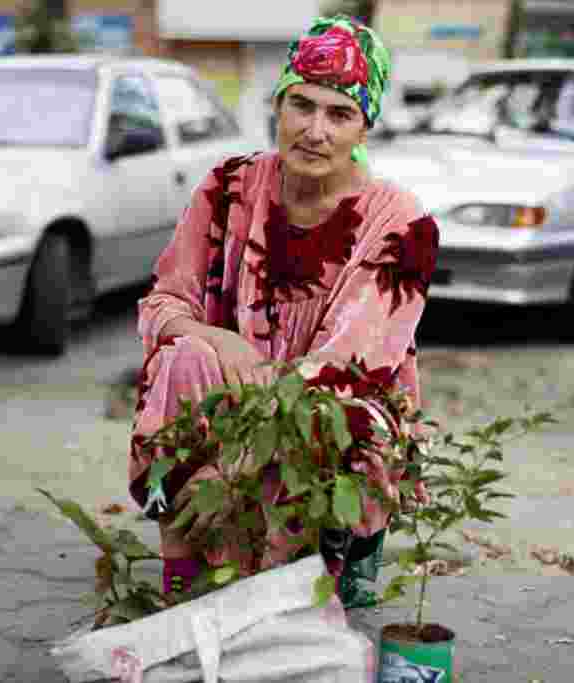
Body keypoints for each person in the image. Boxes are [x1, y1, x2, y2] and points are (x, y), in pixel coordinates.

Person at [128, 14, 439, 608]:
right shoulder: (227, 189)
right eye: (302, 105)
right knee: (183, 357)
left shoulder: (401, 222)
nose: (315, 130)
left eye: (339, 114)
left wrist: (235, 464)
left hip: (332, 407)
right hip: (238, 395)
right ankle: (184, 576)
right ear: (278, 105)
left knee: (343, 415)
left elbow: (351, 366)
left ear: (364, 126)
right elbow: (163, 302)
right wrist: (218, 340)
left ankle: (328, 559)